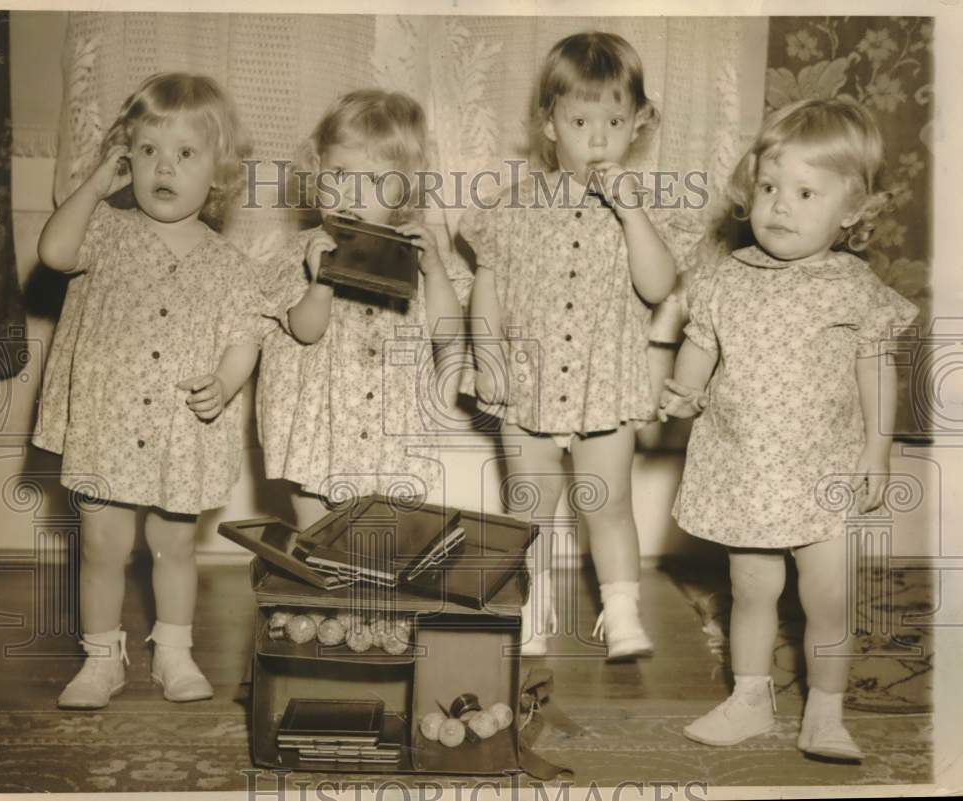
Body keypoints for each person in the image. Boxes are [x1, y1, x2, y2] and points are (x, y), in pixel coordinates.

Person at [659, 98, 918, 761]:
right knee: (750, 590)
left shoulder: (852, 287)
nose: (780, 205)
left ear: (853, 209)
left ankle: (825, 711)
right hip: (745, 467)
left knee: (827, 597)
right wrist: (684, 391)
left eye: (806, 192)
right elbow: (702, 342)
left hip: (823, 468)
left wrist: (878, 449)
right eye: (771, 187)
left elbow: (875, 370)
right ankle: (750, 696)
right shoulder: (726, 276)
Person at [34, 72, 266, 709]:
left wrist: (224, 382)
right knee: (104, 549)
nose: (164, 167)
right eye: (147, 151)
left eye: (186, 153)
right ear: (125, 157)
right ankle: (101, 658)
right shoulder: (103, 232)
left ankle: (173, 651)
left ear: (217, 171)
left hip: (179, 430)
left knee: (174, 546)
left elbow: (244, 337)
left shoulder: (227, 263)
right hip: (106, 424)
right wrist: (92, 187)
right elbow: (53, 252)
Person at [460, 32, 676, 658]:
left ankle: (622, 611)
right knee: (530, 504)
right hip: (526, 378)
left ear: (639, 124)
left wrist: (632, 213)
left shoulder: (643, 206)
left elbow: (658, 284)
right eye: (580, 121)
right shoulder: (511, 208)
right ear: (549, 126)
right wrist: (487, 357)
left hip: (602, 379)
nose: (599, 138)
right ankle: (529, 611)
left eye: (614, 120)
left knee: (607, 503)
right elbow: (490, 289)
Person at [258, 89, 471, 528]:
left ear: (404, 189)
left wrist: (434, 271)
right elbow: (304, 330)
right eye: (340, 173)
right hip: (321, 430)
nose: (352, 192)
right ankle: (313, 592)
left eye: (374, 181)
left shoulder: (419, 253)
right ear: (316, 170)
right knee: (315, 537)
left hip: (391, 432)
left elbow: (447, 330)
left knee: (382, 543)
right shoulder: (301, 251)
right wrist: (320, 284)